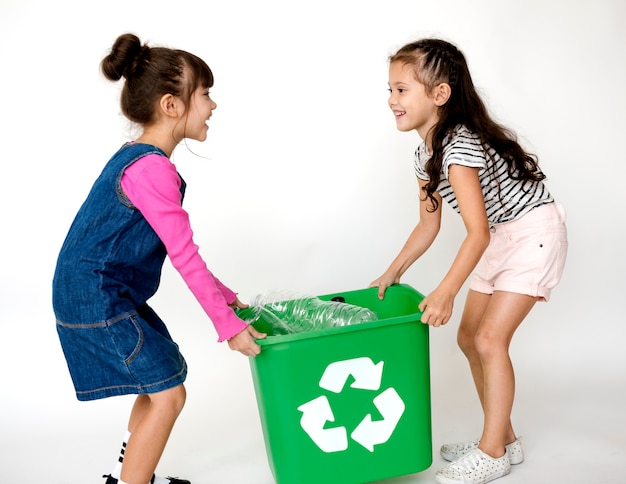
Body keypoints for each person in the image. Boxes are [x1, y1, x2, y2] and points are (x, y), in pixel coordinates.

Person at [52, 33, 265, 484]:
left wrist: (227, 300)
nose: (212, 105)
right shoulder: (152, 169)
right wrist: (229, 327)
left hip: (103, 293)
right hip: (97, 297)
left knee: (160, 382)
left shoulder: (140, 160)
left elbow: (181, 253)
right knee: (170, 395)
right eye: (204, 94)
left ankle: (125, 473)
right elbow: (184, 256)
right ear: (172, 105)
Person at [370, 38, 568, 484]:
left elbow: (475, 232)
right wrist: (392, 272)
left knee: (489, 340)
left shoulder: (459, 145)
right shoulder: (425, 152)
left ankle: (491, 451)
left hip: (533, 233)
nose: (391, 100)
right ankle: (502, 438)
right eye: (390, 89)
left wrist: (445, 290)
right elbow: (428, 225)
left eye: (402, 90)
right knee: (467, 337)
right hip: (501, 237)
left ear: (439, 94)